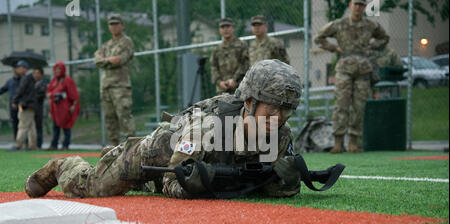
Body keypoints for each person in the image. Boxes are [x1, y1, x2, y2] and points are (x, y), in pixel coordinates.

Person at [25, 60, 304, 200]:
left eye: (286, 110)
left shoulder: (280, 133)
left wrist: (286, 182)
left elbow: (270, 183)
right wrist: (196, 183)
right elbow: (172, 182)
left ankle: (113, 156)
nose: (278, 117)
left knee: (147, 187)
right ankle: (62, 166)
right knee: (93, 187)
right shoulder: (207, 128)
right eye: (272, 108)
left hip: (182, 166)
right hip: (152, 154)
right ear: (250, 102)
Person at [314, 0, 389, 153]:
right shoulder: (339, 24)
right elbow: (319, 37)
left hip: (363, 69)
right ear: (350, 5)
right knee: (341, 104)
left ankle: (353, 143)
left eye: (362, 4)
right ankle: (338, 143)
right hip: (344, 69)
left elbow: (384, 38)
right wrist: (334, 48)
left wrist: (372, 46)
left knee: (358, 106)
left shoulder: (371, 25)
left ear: (365, 7)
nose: (358, 7)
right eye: (356, 4)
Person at [94, 14, 136, 146]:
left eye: (116, 24)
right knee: (110, 119)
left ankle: (132, 147)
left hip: (120, 86)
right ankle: (114, 147)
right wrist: (108, 60)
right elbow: (97, 60)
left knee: (124, 116)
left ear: (122, 25)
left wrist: (104, 60)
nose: (114, 26)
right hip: (106, 86)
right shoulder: (107, 45)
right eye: (111, 24)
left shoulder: (126, 41)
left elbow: (119, 60)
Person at [210, 18, 249, 95]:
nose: (225, 30)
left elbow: (245, 64)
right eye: (222, 27)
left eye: (228, 27)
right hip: (222, 89)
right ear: (219, 30)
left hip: (239, 87)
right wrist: (219, 82)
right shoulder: (217, 49)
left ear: (233, 28)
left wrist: (234, 79)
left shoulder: (241, 45)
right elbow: (213, 67)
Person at [47, 62, 80, 151]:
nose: (57, 71)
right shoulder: (54, 80)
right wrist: (49, 94)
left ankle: (65, 145)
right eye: (56, 69)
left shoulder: (67, 80)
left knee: (66, 127)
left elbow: (74, 95)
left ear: (63, 70)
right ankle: (54, 145)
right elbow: (49, 90)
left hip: (65, 108)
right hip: (56, 108)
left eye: (59, 69)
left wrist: (73, 106)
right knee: (55, 127)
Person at [11, 61, 38, 151]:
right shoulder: (31, 79)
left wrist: (15, 101)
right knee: (31, 127)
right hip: (31, 105)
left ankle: (18, 145)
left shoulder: (25, 79)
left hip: (25, 105)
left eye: (19, 67)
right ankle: (32, 145)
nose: (18, 69)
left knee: (22, 126)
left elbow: (20, 91)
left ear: (24, 68)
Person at [0, 61, 27, 141]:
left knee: (23, 124)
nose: (16, 70)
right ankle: (17, 142)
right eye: (15, 68)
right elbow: (2, 90)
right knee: (15, 124)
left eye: (19, 68)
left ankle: (26, 142)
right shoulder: (10, 81)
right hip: (13, 107)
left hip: (22, 106)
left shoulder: (25, 80)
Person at [33, 68, 47, 149]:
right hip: (31, 108)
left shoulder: (42, 84)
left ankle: (39, 144)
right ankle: (31, 144)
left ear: (41, 74)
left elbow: (41, 95)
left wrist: (32, 96)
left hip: (39, 108)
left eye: (37, 73)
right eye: (34, 73)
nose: (36, 74)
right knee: (31, 127)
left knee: (38, 127)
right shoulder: (32, 83)